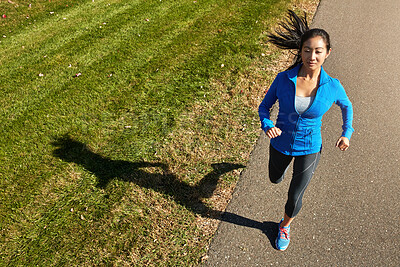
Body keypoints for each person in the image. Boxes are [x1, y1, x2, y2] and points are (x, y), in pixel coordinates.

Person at [258, 11, 354, 251]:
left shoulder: (333, 86)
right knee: (274, 178)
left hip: (310, 147)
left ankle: (284, 225)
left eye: (318, 51)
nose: (312, 56)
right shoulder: (283, 79)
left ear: (327, 53)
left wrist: (347, 132)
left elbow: (347, 105)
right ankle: (281, 170)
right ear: (300, 51)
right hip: (280, 142)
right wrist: (267, 124)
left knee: (295, 195)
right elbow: (264, 106)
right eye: (307, 50)